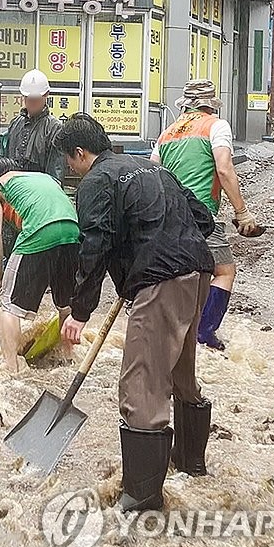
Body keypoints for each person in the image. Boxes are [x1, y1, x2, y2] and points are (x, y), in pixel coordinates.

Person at [56, 114, 215, 512]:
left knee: (140, 384)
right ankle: (189, 463)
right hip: (197, 273)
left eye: (69, 162)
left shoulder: (96, 181)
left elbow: (94, 246)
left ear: (80, 153)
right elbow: (204, 219)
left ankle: (142, 497)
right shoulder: (152, 168)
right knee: (179, 371)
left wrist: (79, 311)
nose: (70, 170)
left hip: (159, 281)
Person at [152, 80, 260, 352]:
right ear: (210, 104)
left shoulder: (167, 133)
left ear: (185, 105)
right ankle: (204, 332)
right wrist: (242, 213)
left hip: (167, 216)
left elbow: (154, 173)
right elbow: (224, 170)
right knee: (223, 271)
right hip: (201, 216)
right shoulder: (216, 125)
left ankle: (171, 331)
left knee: (180, 274)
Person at [0, 157, 80, 370]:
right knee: (65, 305)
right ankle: (67, 360)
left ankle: (11, 370)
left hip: (39, 232)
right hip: (73, 232)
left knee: (9, 306)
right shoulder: (44, 178)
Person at [2, 69, 66, 183]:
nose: (31, 102)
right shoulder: (15, 124)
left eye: (36, 99)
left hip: (40, 192)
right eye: (28, 98)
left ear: (46, 95)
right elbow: (5, 161)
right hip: (14, 190)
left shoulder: (54, 128)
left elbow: (56, 171)